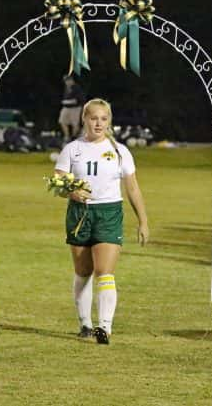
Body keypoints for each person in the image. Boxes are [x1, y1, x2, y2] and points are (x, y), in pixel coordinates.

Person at [54, 98, 149, 345]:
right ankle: (85, 323)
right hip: (80, 214)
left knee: (104, 271)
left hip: (109, 213)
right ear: (84, 119)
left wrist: (143, 221)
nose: (99, 123)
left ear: (110, 121)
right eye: (94, 118)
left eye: (104, 119)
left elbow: (133, 188)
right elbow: (58, 182)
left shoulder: (120, 151)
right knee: (83, 271)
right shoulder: (72, 149)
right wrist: (70, 191)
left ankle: (104, 327)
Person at [58, 75, 86, 142]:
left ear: (72, 80)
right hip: (66, 107)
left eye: (68, 80)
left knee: (75, 124)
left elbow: (80, 99)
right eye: (65, 81)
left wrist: (71, 101)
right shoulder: (66, 88)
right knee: (62, 121)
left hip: (75, 108)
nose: (67, 82)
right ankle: (67, 136)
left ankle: (73, 137)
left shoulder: (77, 88)